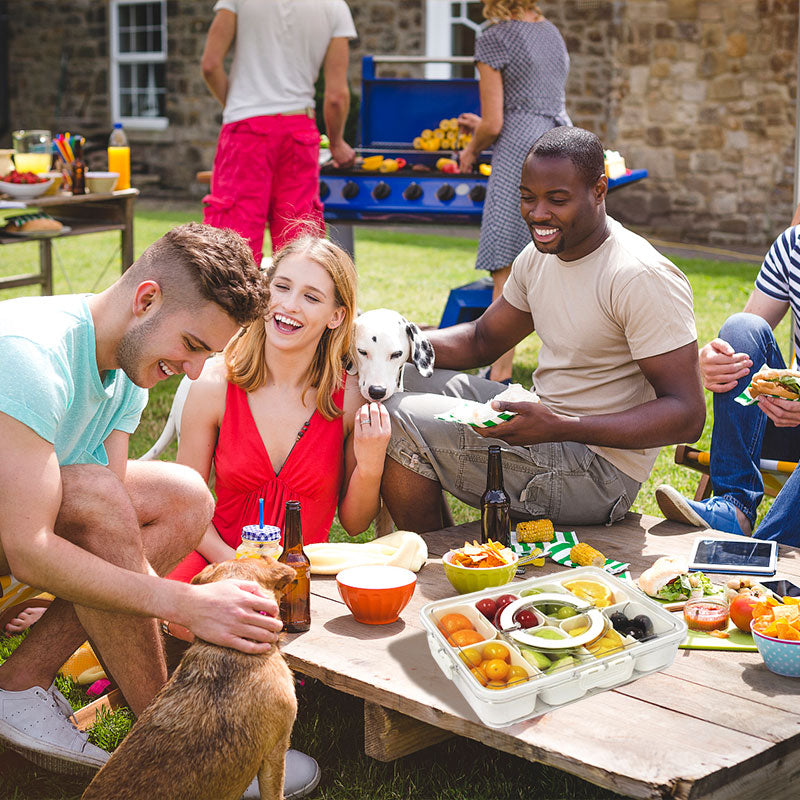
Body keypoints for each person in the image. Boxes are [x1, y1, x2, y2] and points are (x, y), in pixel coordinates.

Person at [0, 223, 319, 798]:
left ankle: (20, 684)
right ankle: (183, 751)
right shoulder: (31, 353)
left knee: (185, 497)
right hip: (16, 531)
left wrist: (175, 607)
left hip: (21, 512)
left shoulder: (127, 373)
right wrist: (184, 601)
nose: (196, 372)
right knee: (97, 495)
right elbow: (28, 549)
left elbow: (114, 520)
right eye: (193, 346)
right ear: (146, 299)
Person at [381, 127, 705, 533]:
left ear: (599, 190)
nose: (537, 214)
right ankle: (449, 553)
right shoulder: (539, 258)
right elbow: (482, 340)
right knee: (392, 378)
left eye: (557, 199)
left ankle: (435, 560)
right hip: (547, 425)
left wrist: (560, 427)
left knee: (395, 417)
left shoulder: (638, 275)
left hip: (597, 472)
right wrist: (396, 343)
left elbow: (687, 414)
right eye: (527, 197)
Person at [168, 235, 390, 583]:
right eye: (281, 287)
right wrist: (237, 568)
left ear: (336, 316)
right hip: (215, 557)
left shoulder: (347, 400)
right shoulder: (213, 386)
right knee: (178, 615)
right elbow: (183, 509)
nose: (289, 305)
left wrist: (371, 464)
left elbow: (355, 524)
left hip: (300, 576)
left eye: (311, 297)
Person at [655, 222, 800, 547]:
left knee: (756, 568)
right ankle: (735, 506)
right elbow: (749, 337)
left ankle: (757, 563)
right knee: (740, 328)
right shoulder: (794, 247)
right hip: (787, 422)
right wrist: (714, 358)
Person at [457, 0, 571, 382]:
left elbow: (494, 122)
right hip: (561, 143)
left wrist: (471, 149)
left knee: (506, 267)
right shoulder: (551, 33)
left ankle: (499, 374)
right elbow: (537, 102)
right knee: (560, 257)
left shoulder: (494, 37)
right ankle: (565, 372)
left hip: (520, 152)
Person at [201, 0, 357, 265]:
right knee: (299, 245)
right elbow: (336, 96)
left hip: (245, 130)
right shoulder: (334, 6)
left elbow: (210, 65)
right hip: (299, 131)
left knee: (233, 246)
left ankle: (233, 306)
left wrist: (239, 106)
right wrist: (338, 143)